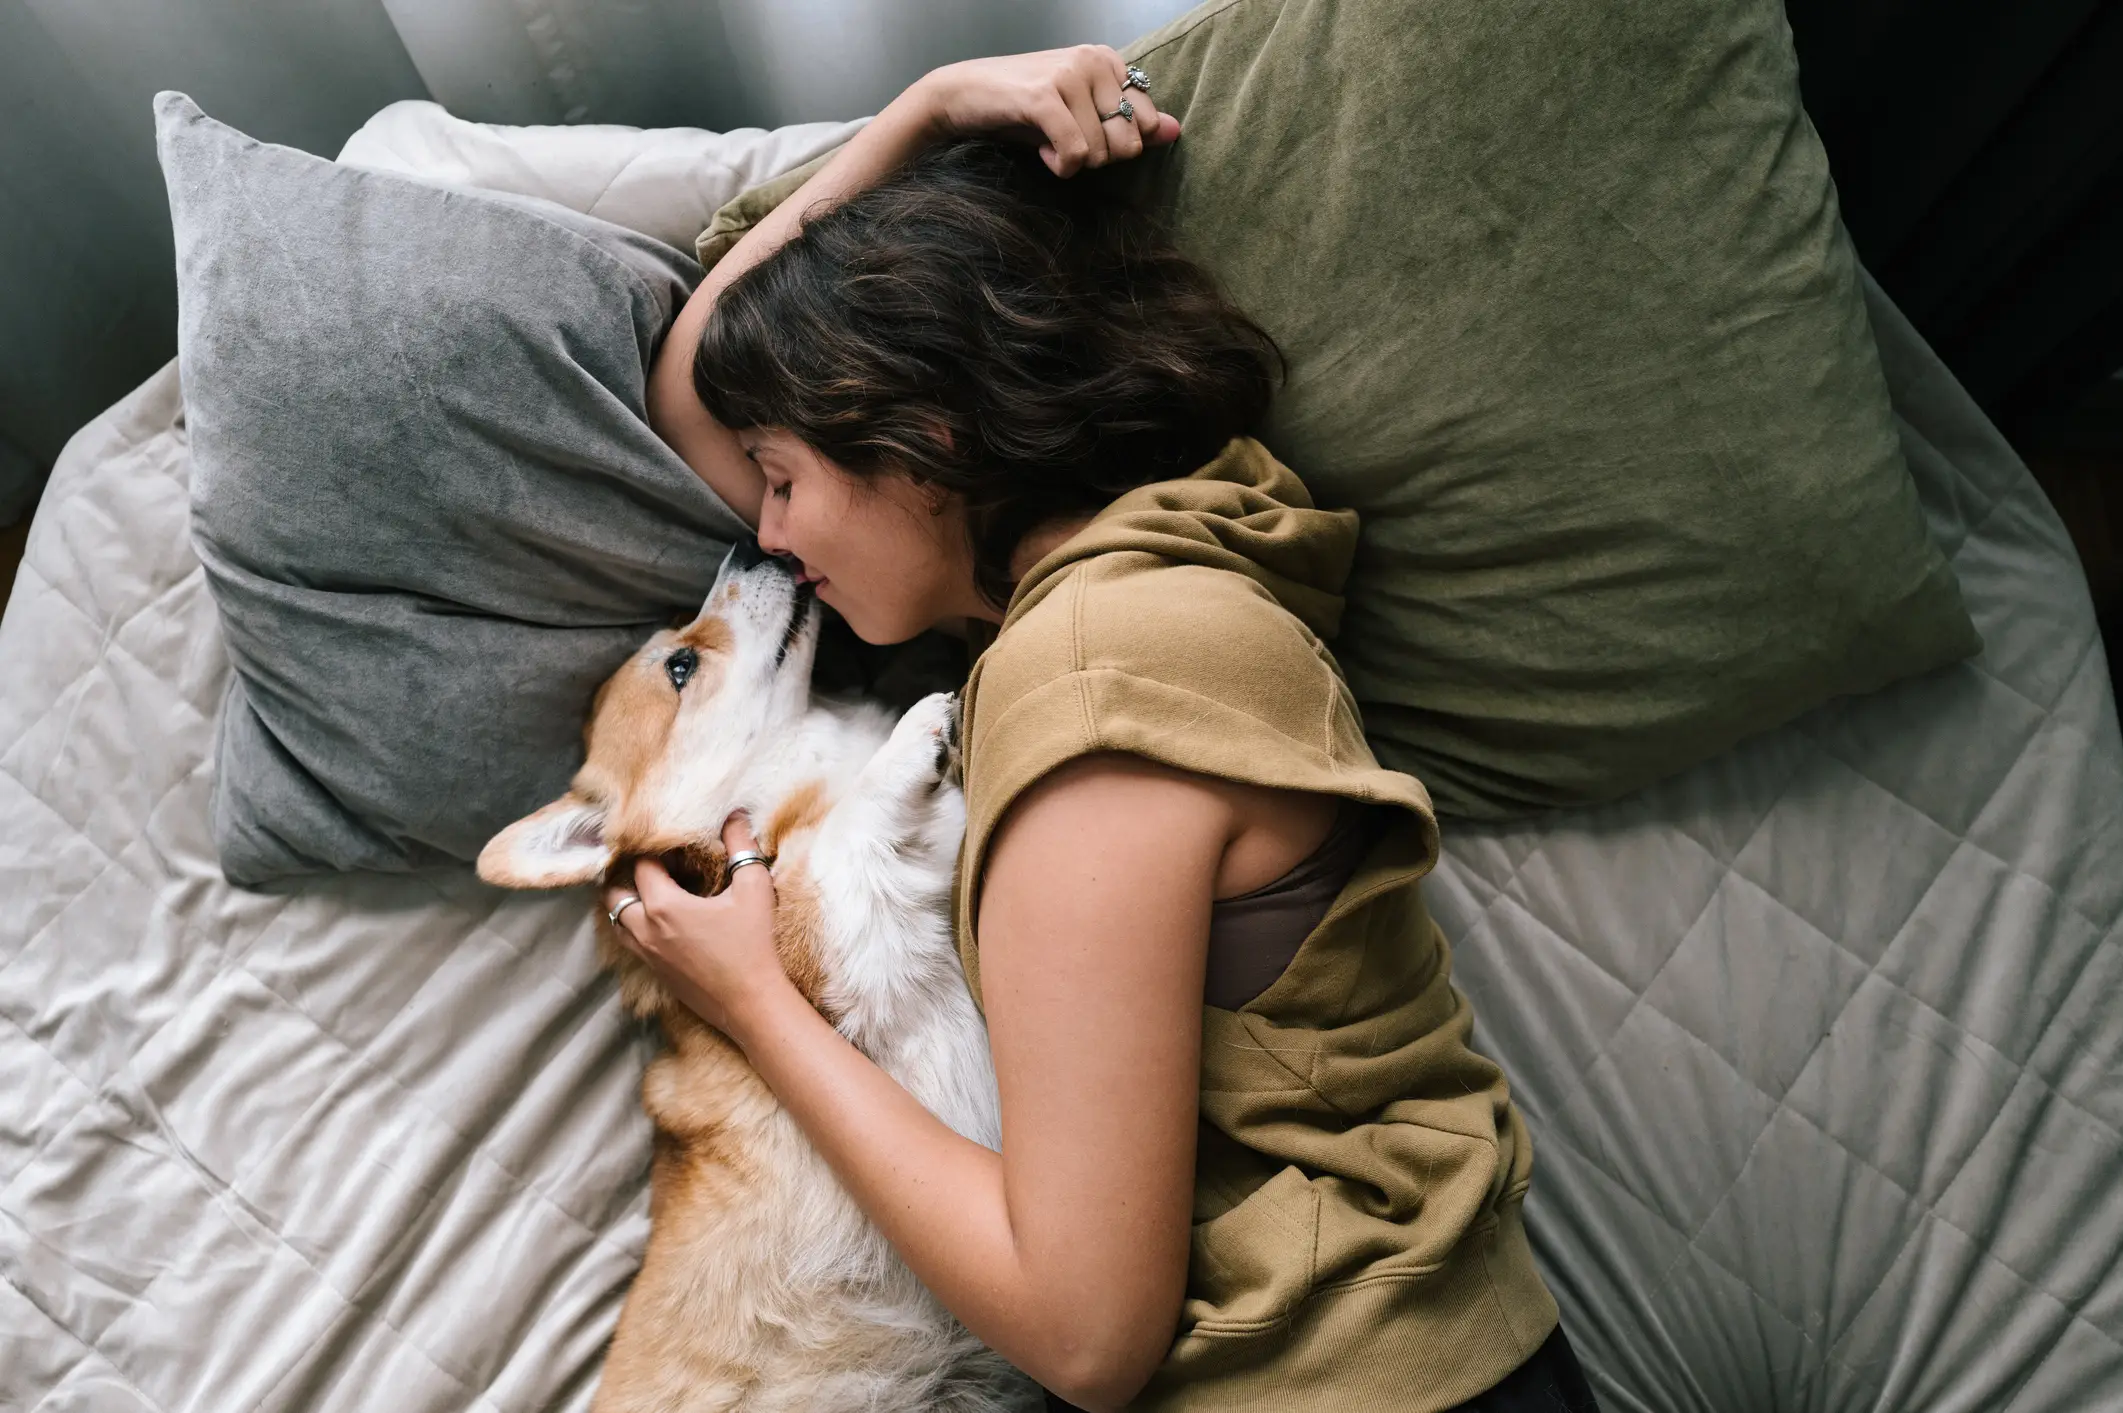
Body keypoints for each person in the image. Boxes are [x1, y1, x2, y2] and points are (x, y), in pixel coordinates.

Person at [602, 45, 1598, 1413]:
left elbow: (1082, 1336)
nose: (766, 535)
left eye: (782, 481)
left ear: (925, 442)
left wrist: (756, 1005)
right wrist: (926, 111)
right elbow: (691, 400)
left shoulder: (1092, 694)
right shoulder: (1170, 548)